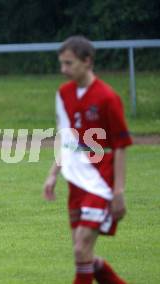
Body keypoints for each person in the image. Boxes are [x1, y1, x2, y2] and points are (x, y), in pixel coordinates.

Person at [43, 36, 131, 284]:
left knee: (82, 249)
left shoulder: (107, 98)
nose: (63, 69)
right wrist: (53, 173)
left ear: (87, 61)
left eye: (69, 63)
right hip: (76, 180)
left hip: (101, 181)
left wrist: (118, 191)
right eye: (62, 63)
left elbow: (121, 147)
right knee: (83, 255)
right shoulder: (64, 93)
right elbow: (67, 138)